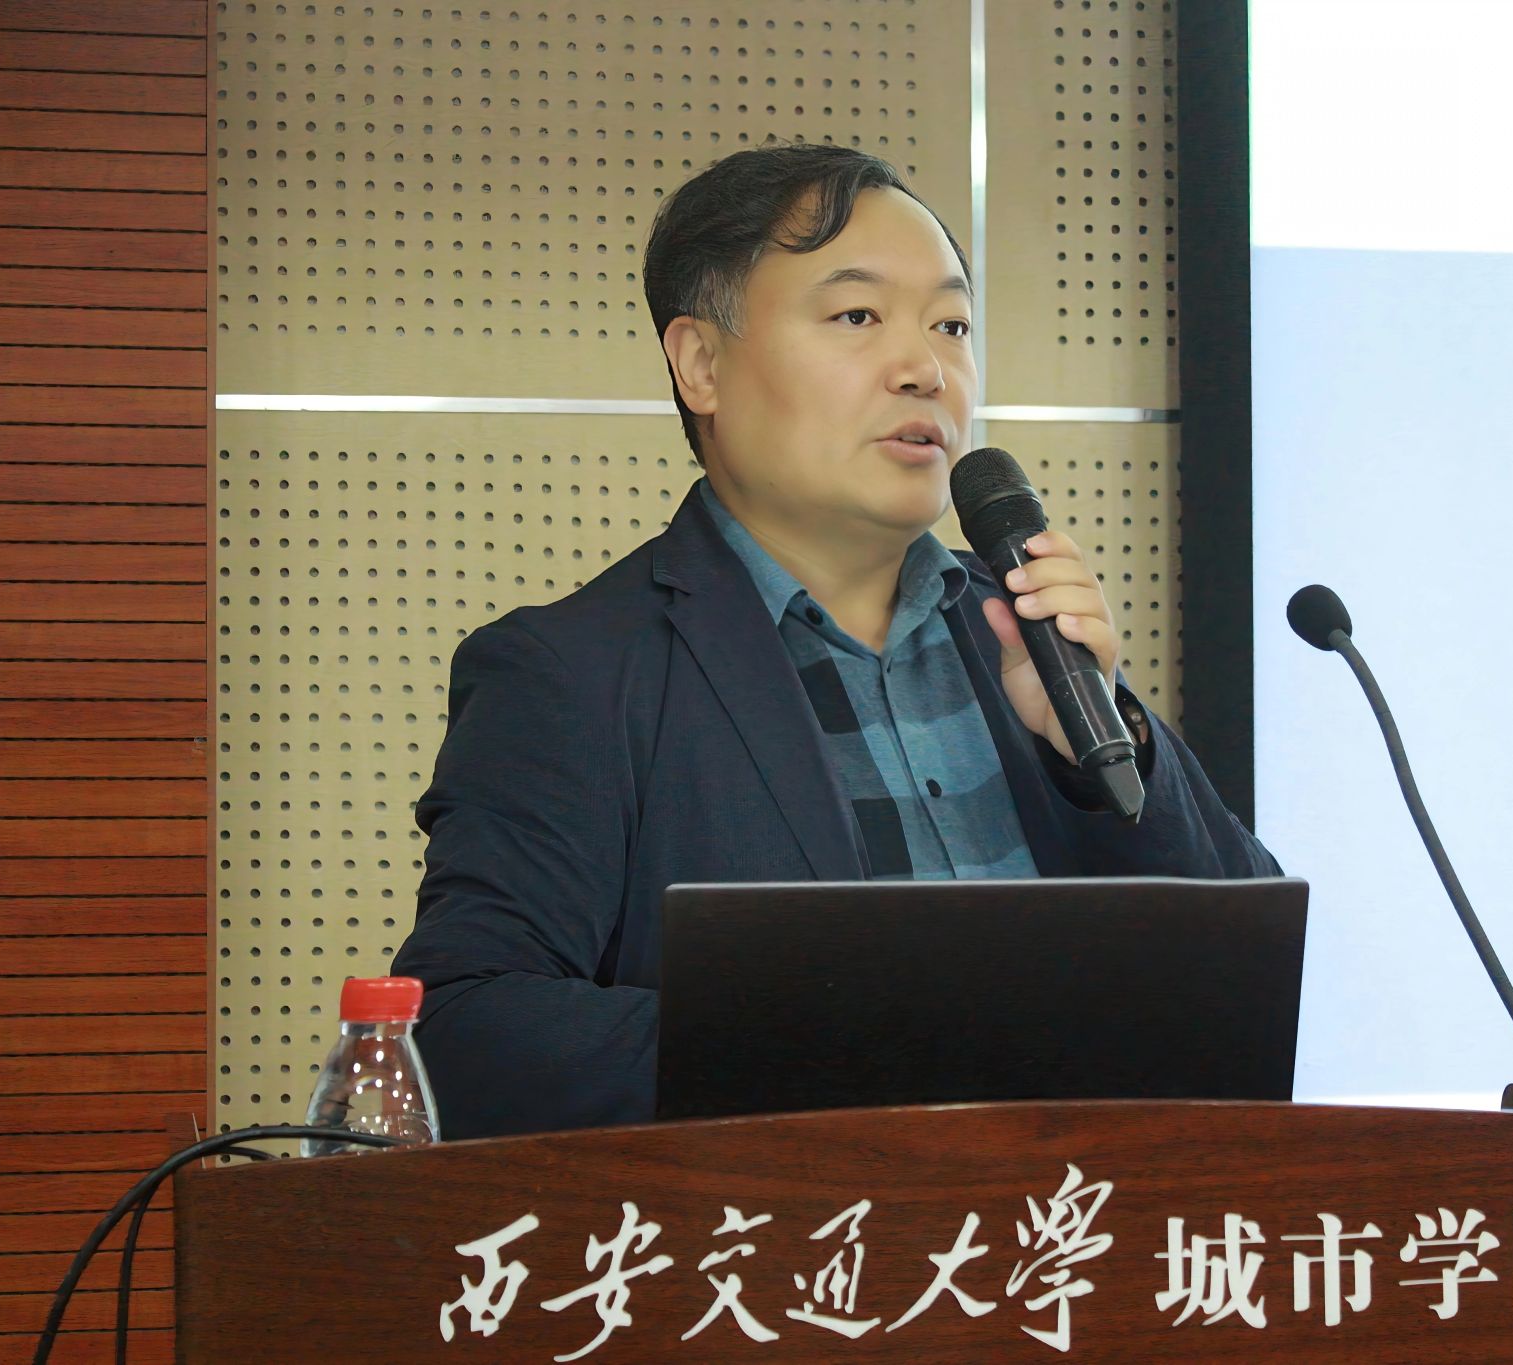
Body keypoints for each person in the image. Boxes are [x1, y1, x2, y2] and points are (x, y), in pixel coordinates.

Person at [391, 143, 1280, 1137]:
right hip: (790, 1228)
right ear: (702, 365)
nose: (925, 370)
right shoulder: (576, 674)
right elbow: (465, 1027)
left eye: (951, 326)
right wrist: (850, 1045)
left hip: (1073, 1221)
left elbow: (1246, 994)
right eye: (857, 317)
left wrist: (1098, 749)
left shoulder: (1028, 636)